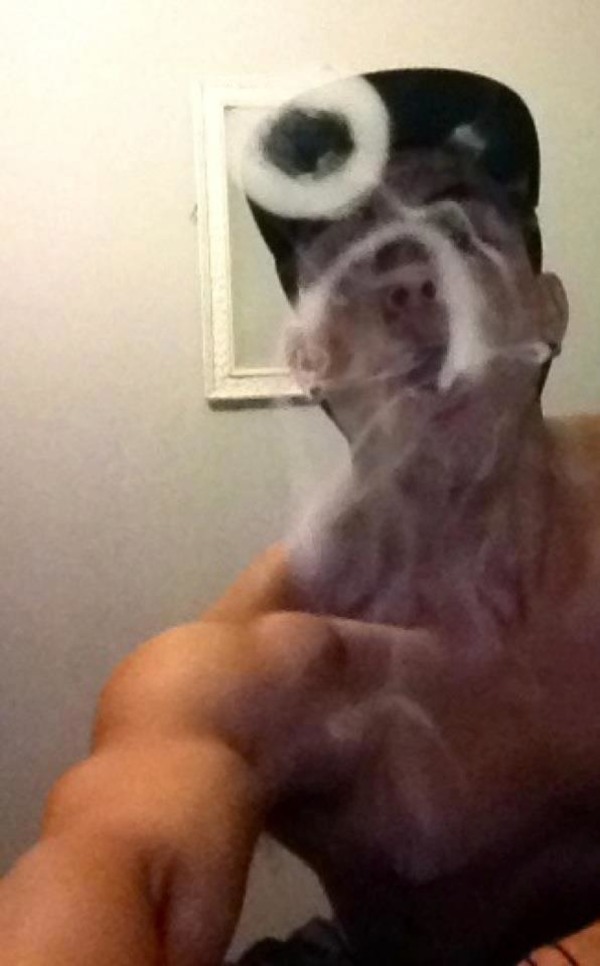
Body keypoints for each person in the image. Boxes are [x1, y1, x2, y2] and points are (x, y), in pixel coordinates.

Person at [4, 68, 600, 965]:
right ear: (310, 358)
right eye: (354, 258)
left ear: (547, 307)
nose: (412, 279)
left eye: (456, 231)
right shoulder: (257, 665)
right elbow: (109, 856)